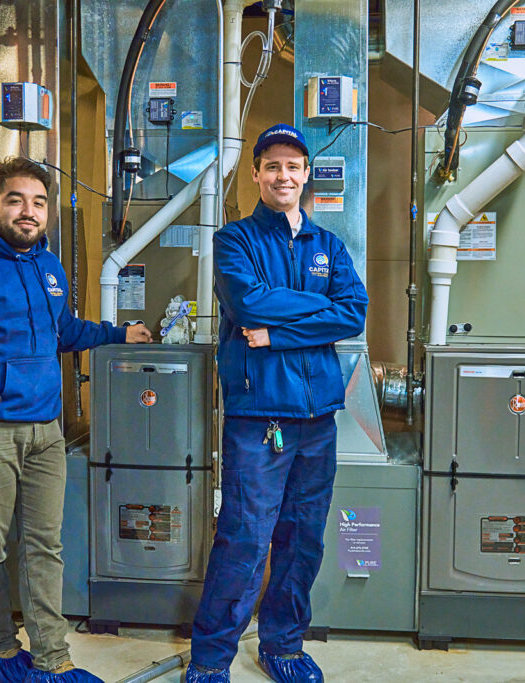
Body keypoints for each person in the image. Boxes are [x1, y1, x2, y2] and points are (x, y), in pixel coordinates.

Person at [0, 157, 152, 683]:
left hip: (48, 430)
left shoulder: (49, 268)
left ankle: (53, 659)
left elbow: (61, 331)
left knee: (47, 545)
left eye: (38, 202)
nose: (28, 211)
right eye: (15, 200)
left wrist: (117, 335)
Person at [186, 125, 368, 683]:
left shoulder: (328, 245)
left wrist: (280, 333)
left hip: (317, 420)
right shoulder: (234, 241)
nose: (283, 176)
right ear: (257, 173)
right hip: (258, 417)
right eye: (273, 166)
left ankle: (283, 645)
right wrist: (310, 311)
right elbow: (248, 302)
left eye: (293, 166)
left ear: (306, 174)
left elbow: (354, 312)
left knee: (302, 537)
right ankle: (211, 658)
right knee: (243, 536)